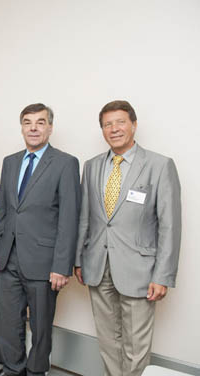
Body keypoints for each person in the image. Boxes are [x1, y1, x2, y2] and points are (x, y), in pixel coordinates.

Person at [74, 100, 181, 376]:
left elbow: (169, 225)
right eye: (107, 124)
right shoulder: (92, 166)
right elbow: (85, 218)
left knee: (136, 345)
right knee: (108, 341)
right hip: (97, 265)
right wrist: (78, 259)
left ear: (134, 125)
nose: (114, 129)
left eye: (120, 122)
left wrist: (163, 275)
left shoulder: (159, 165)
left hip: (140, 271)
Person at [0, 103, 81, 376]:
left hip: (44, 261)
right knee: (8, 323)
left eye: (40, 122)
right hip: (8, 259)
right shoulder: (11, 161)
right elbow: (3, 211)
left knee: (40, 326)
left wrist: (62, 265)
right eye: (28, 122)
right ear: (21, 127)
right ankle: (13, 369)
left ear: (50, 127)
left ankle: (37, 371)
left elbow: (69, 218)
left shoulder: (65, 163)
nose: (33, 128)